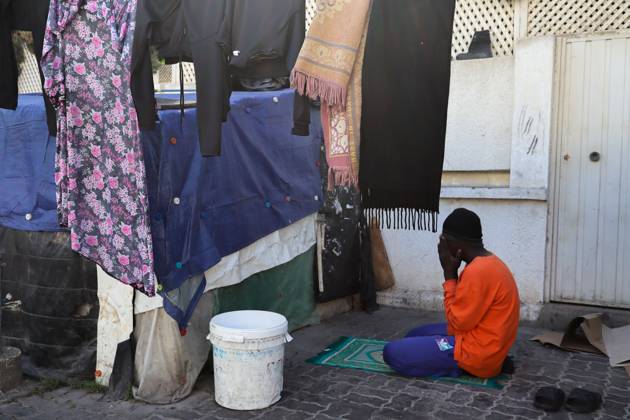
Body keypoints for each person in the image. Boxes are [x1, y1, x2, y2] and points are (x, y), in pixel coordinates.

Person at [383, 208, 520, 378]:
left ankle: (463, 366)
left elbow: (457, 322)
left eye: (444, 240)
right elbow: (464, 317)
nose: (442, 246)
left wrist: (449, 275)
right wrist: (454, 275)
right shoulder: (490, 262)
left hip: (476, 354)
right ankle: (493, 360)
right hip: (481, 339)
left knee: (392, 352)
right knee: (413, 336)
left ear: (456, 245)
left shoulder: (478, 271)